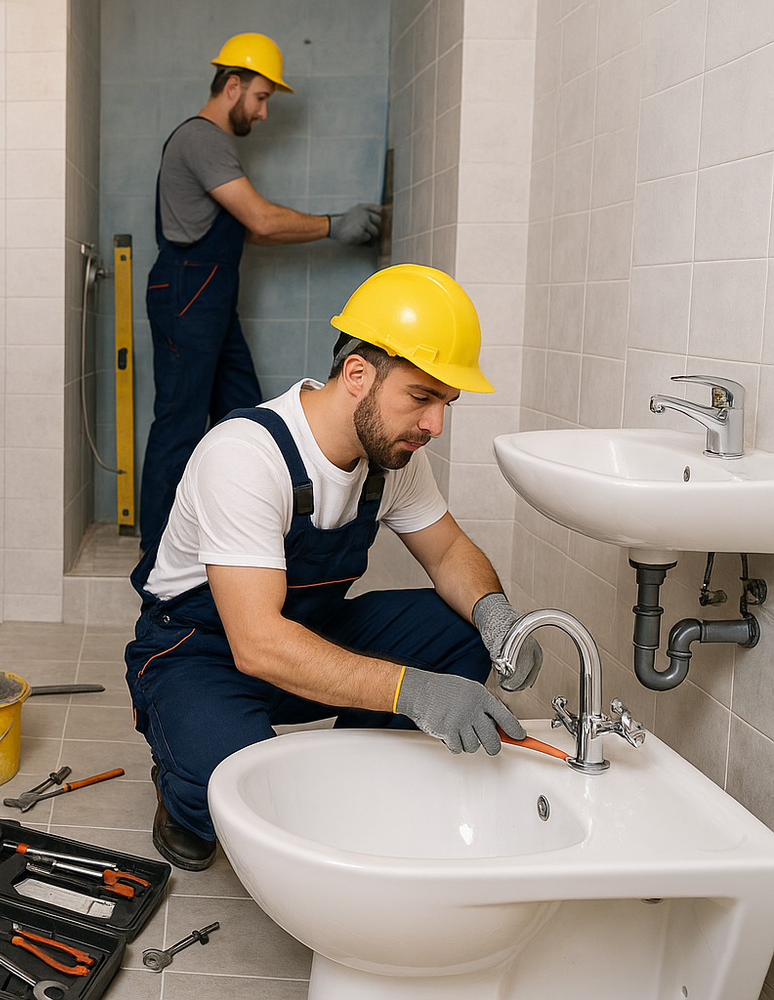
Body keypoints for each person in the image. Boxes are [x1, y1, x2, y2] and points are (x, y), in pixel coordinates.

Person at [125, 264, 545, 871]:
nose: (434, 425)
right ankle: (179, 784)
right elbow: (259, 643)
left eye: (445, 403)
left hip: (312, 633)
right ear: (357, 375)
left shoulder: (393, 457)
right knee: (245, 797)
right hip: (203, 652)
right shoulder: (245, 456)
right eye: (421, 398)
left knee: (459, 627)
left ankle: (358, 774)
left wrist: (497, 615)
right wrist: (414, 690)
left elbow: (450, 552)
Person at [138, 32, 385, 549]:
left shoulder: (213, 144)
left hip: (207, 296)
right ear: (233, 85)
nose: (264, 112)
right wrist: (334, 224)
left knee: (244, 412)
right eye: (261, 97)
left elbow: (249, 230)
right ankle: (158, 554)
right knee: (180, 424)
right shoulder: (202, 138)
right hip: (189, 292)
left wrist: (325, 229)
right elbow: (262, 221)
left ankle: (248, 532)